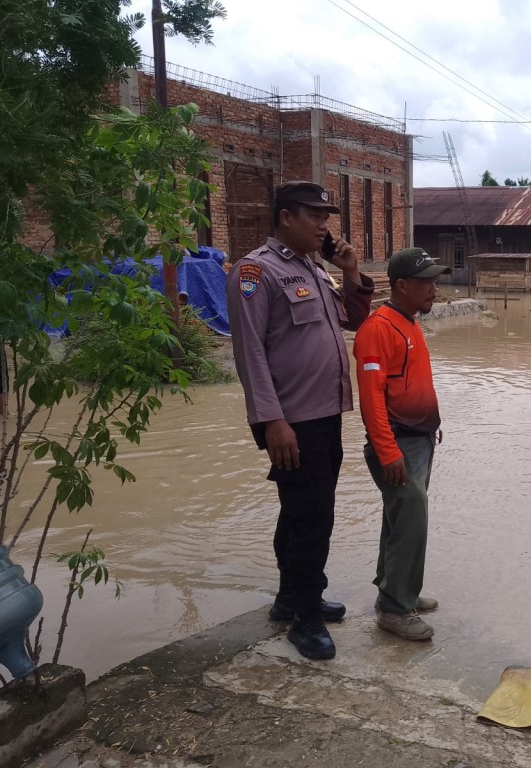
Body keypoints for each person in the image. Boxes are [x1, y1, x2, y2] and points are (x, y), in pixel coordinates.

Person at [226, 180, 374, 660]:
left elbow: (353, 319)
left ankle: (291, 598)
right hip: (291, 420)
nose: (325, 226)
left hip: (324, 413)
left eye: (327, 217)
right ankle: (305, 619)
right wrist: (272, 421)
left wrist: (350, 269)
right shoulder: (256, 272)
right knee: (314, 518)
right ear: (287, 217)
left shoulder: (314, 268)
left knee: (300, 512)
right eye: (316, 216)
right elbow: (249, 354)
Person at [353, 247, 450, 641]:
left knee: (400, 521)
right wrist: (388, 450)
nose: (434, 288)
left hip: (418, 439)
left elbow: (410, 384)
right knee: (412, 522)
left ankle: (396, 590)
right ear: (401, 285)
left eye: (434, 280)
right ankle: (395, 609)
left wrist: (430, 425)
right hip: (397, 446)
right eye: (426, 281)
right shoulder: (378, 329)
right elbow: (372, 398)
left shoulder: (408, 322)